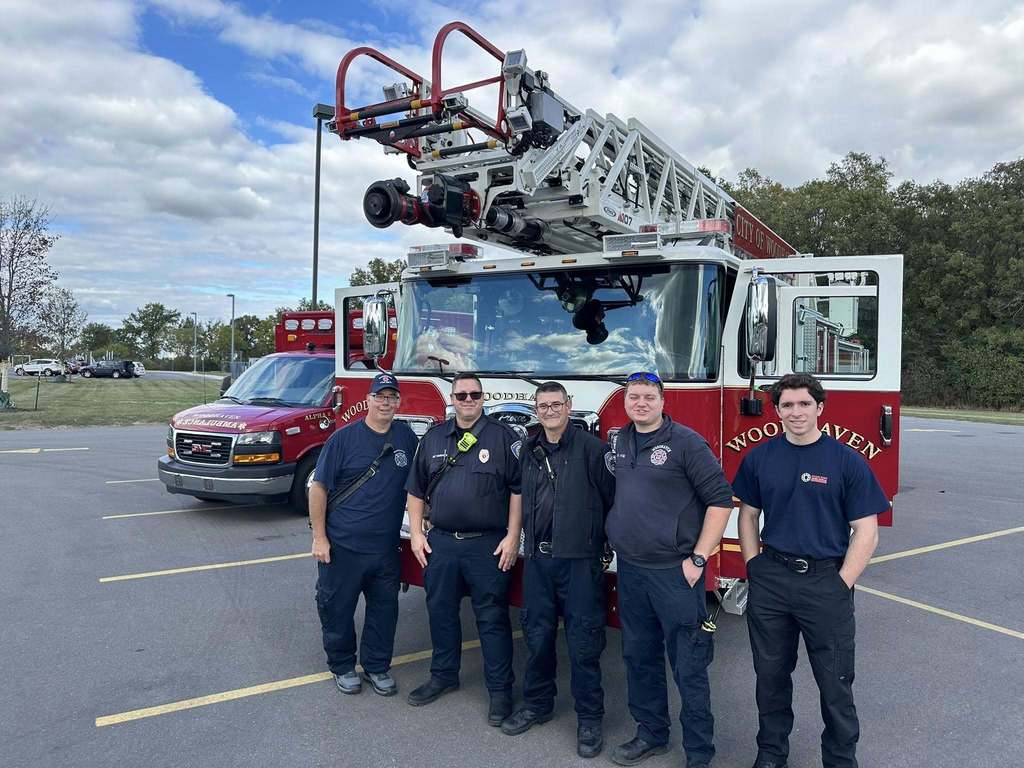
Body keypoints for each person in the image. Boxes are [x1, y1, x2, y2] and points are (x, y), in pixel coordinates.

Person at [734, 373, 886, 768]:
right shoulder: (760, 458)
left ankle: (839, 760)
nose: (796, 412)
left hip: (826, 582)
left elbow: (866, 532)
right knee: (770, 678)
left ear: (820, 408)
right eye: (787, 405)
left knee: (835, 683)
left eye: (804, 404)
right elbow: (748, 516)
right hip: (772, 578)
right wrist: (754, 567)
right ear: (778, 410)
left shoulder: (846, 461)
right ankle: (770, 755)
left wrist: (841, 584)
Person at [605, 371, 734, 768]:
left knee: (689, 664)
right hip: (630, 570)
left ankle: (699, 752)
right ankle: (651, 734)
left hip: (674, 574)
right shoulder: (620, 440)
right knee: (639, 657)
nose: (640, 403)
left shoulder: (687, 443)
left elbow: (720, 501)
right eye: (633, 397)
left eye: (648, 397)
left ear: (663, 401)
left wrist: (698, 558)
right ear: (625, 401)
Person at [500, 382, 615, 759]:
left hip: (580, 561)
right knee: (537, 637)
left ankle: (589, 719)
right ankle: (537, 704)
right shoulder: (529, 451)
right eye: (543, 405)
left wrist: (606, 547)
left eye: (555, 404)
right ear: (537, 410)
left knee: (584, 643)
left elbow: (612, 500)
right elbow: (516, 497)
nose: (549, 410)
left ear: (568, 407)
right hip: (538, 561)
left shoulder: (594, 450)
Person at [405, 372, 523, 726]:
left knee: (492, 619)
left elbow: (518, 491)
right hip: (441, 543)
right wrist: (415, 535)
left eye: (474, 395)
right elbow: (415, 490)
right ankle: (443, 675)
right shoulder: (434, 438)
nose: (468, 400)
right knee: (440, 612)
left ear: (482, 398)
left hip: (487, 545)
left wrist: (513, 537)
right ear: (452, 399)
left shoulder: (503, 438)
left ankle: (500, 692)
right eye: (461, 395)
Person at [308, 373, 418, 696]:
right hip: (342, 547)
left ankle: (377, 666)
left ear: (398, 402)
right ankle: (342, 666)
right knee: (336, 608)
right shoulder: (343, 439)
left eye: (392, 397)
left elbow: (417, 486)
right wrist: (319, 537)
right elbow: (319, 488)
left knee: (384, 611)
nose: (386, 402)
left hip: (385, 548)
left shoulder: (407, 438)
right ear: (368, 400)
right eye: (380, 396)